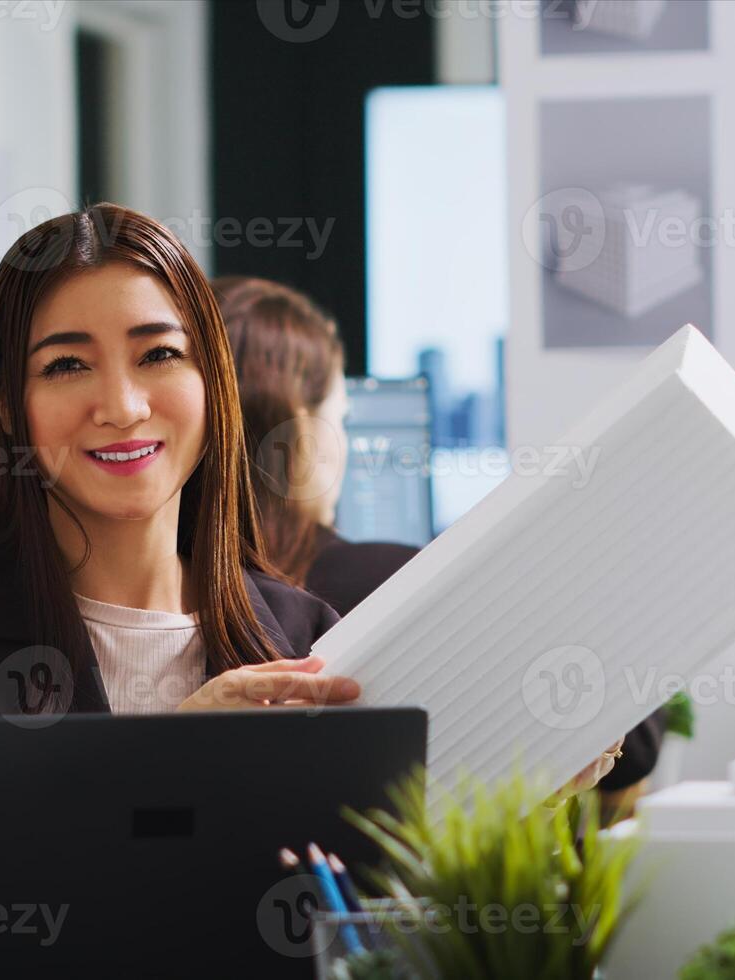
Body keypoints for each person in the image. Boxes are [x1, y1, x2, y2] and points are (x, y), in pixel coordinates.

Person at [0, 206, 361, 970]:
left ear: (212, 381)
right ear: (10, 405)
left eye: (158, 355)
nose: (121, 405)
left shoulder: (303, 636)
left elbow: (356, 924)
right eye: (67, 365)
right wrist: (165, 763)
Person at [215, 275, 665, 800]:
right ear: (297, 429)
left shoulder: (159, 596)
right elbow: (638, 742)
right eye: (340, 418)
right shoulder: (389, 581)